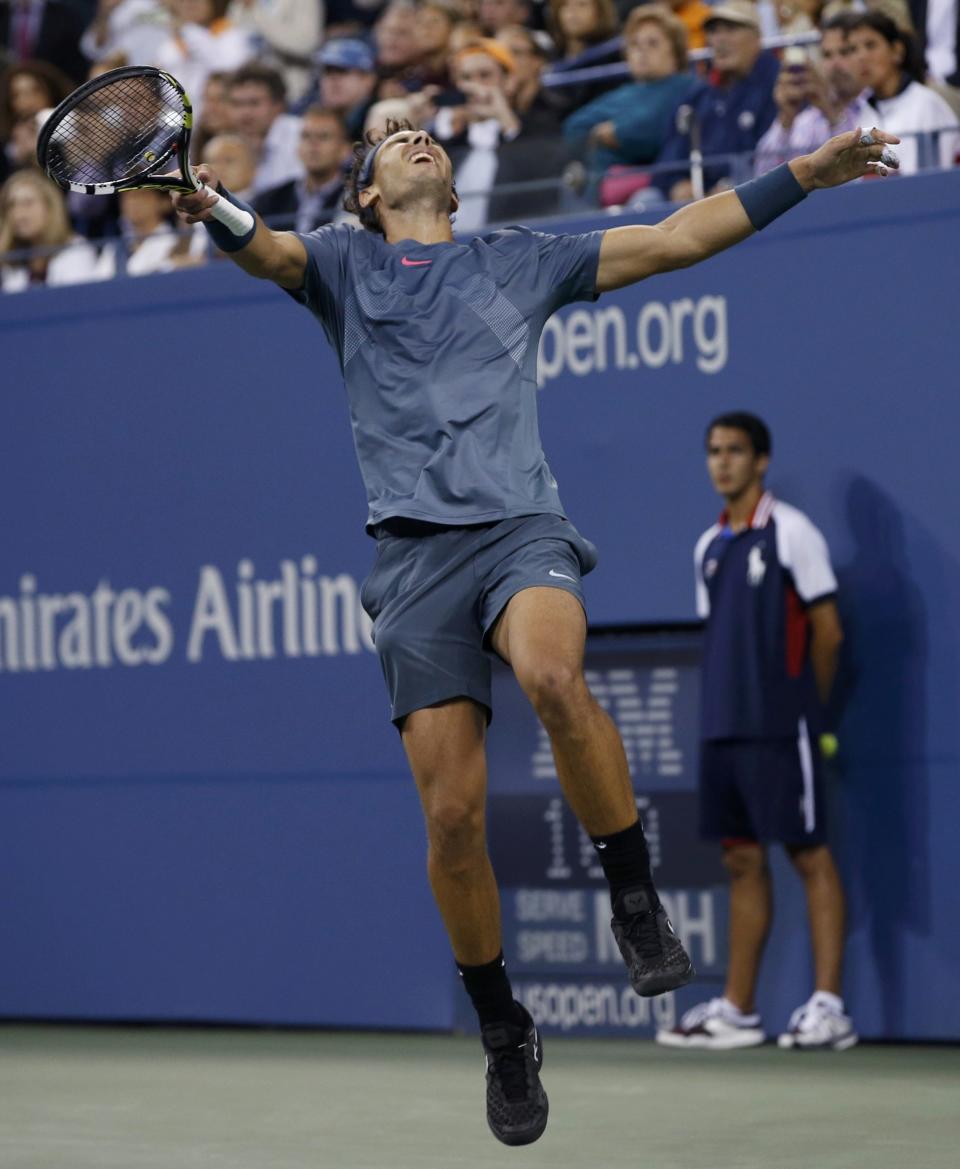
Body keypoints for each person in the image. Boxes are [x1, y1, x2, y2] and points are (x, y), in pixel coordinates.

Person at [169, 110, 897, 1144]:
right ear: (369, 193)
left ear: (456, 190)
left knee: (556, 677)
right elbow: (268, 247)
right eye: (394, 138)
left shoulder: (521, 259)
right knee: (455, 819)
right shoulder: (337, 264)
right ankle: (505, 1024)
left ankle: (633, 892)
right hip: (414, 562)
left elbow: (680, 234)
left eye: (428, 133)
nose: (417, 136)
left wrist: (806, 175)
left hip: (519, 528)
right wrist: (219, 209)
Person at [656, 412, 856, 1052]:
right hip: (723, 728)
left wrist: (810, 715)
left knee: (808, 854)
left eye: (735, 451)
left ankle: (830, 1008)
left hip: (782, 725)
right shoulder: (707, 548)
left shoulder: (793, 533)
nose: (722, 462)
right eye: (713, 451)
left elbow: (828, 634)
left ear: (761, 460)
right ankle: (739, 1011)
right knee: (742, 860)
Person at [430, 38, 571, 231]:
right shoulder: (447, 137)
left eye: (485, 76)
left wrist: (506, 120)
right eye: (466, 78)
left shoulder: (539, 124)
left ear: (509, 82)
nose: (475, 86)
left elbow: (543, 177)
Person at [654, 0, 780, 201]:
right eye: (713, 31)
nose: (719, 40)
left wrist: (734, 183)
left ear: (756, 36)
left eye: (731, 29)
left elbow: (776, 156)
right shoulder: (698, 95)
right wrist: (676, 183)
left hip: (757, 197)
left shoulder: (779, 83)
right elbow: (669, 159)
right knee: (645, 200)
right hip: (698, 203)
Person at [563, 6, 698, 178]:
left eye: (653, 43)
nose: (641, 51)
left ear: (675, 51)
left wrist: (613, 132)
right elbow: (574, 127)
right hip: (603, 185)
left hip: (659, 185)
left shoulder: (687, 87)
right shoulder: (623, 92)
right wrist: (610, 135)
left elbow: (649, 134)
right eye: (634, 44)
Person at [754, 13, 877, 171]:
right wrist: (786, 119)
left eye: (845, 52)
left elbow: (860, 170)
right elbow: (763, 174)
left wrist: (830, 113)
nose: (835, 63)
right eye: (827, 55)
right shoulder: (807, 119)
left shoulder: (878, 105)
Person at [847, 9, 959, 171]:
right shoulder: (862, 112)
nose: (861, 56)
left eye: (870, 45)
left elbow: (935, 180)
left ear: (897, 51)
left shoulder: (926, 104)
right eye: (853, 49)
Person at [0, 170, 101, 291]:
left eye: (28, 203)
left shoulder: (76, 251)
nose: (19, 214)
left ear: (50, 206)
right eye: (11, 205)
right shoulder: (11, 262)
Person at [254, 107, 351, 231]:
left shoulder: (355, 200)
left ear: (344, 149)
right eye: (306, 136)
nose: (313, 144)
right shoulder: (271, 199)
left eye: (323, 137)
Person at [225, 63, 303, 195]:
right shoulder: (233, 142)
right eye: (237, 104)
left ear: (278, 105)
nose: (245, 113)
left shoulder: (300, 134)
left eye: (254, 103)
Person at [315, 37, 378, 140]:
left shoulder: (380, 120)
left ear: (368, 80)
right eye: (328, 71)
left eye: (342, 71)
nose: (333, 78)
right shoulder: (312, 115)